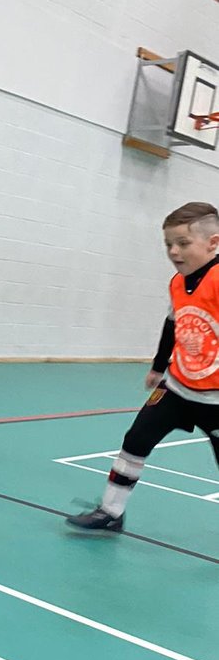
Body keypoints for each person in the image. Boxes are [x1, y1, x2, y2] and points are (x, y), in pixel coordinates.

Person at [66, 201, 219, 532]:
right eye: (168, 244)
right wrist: (158, 366)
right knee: (136, 440)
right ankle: (111, 511)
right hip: (178, 386)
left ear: (213, 243)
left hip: (215, 399)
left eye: (183, 243)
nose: (174, 252)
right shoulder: (178, 282)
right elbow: (172, 322)